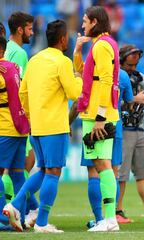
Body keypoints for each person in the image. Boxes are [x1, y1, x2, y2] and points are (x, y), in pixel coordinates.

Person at [3, 20, 82, 233]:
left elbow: (23, 93)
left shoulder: (35, 59)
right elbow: (74, 93)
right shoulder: (63, 62)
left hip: (36, 127)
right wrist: (80, 78)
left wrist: (30, 116)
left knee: (44, 169)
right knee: (53, 171)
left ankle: (14, 206)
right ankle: (42, 222)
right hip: (55, 126)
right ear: (64, 39)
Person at [77, 6, 120, 232]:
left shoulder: (102, 46)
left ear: (94, 22)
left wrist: (101, 116)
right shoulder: (104, 43)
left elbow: (105, 81)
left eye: (85, 21)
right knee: (102, 164)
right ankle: (109, 218)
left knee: (103, 165)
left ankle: (110, 219)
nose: (82, 25)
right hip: (97, 112)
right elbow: (85, 74)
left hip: (98, 114)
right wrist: (77, 51)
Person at [2, 11, 38, 228]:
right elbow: (19, 91)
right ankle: (25, 209)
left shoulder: (12, 51)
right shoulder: (19, 54)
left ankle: (25, 209)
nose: (32, 33)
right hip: (16, 120)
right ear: (19, 29)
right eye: (30, 28)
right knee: (20, 168)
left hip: (11, 120)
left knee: (19, 168)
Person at [116, 44, 144, 224]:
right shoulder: (115, 77)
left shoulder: (140, 77)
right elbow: (115, 102)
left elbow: (139, 105)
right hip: (123, 128)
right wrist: (135, 99)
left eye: (135, 65)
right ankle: (116, 211)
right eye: (129, 66)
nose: (133, 69)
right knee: (121, 173)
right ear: (121, 61)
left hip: (138, 128)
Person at [0, 36, 30, 229]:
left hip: (4, 127)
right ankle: (22, 218)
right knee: (18, 175)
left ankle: (3, 219)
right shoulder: (14, 68)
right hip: (19, 127)